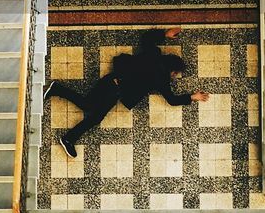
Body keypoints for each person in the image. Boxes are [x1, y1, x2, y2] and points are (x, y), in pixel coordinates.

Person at [46, 26, 210, 159]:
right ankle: (59, 101)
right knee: (89, 108)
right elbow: (172, 100)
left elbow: (146, 39)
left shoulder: (154, 54)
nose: (174, 76)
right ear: (172, 70)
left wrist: (165, 34)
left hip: (113, 81)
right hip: (115, 89)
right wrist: (192, 97)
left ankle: (68, 134)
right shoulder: (162, 80)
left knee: (93, 114)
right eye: (175, 73)